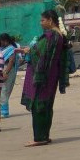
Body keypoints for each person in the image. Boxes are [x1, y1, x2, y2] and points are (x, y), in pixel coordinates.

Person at [20, 10, 70, 146]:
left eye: (43, 20)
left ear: (50, 20)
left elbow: (40, 53)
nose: (41, 23)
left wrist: (28, 51)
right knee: (47, 105)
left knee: (39, 106)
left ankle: (40, 137)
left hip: (43, 77)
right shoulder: (59, 36)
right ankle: (44, 136)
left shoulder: (51, 35)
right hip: (51, 75)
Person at [0, 34, 22, 118]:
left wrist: (5, 73)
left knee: (4, 90)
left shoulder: (11, 49)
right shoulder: (2, 49)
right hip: (2, 69)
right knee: (3, 90)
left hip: (8, 70)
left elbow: (11, 61)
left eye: (0, 41)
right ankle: (1, 109)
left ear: (5, 41)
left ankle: (4, 112)